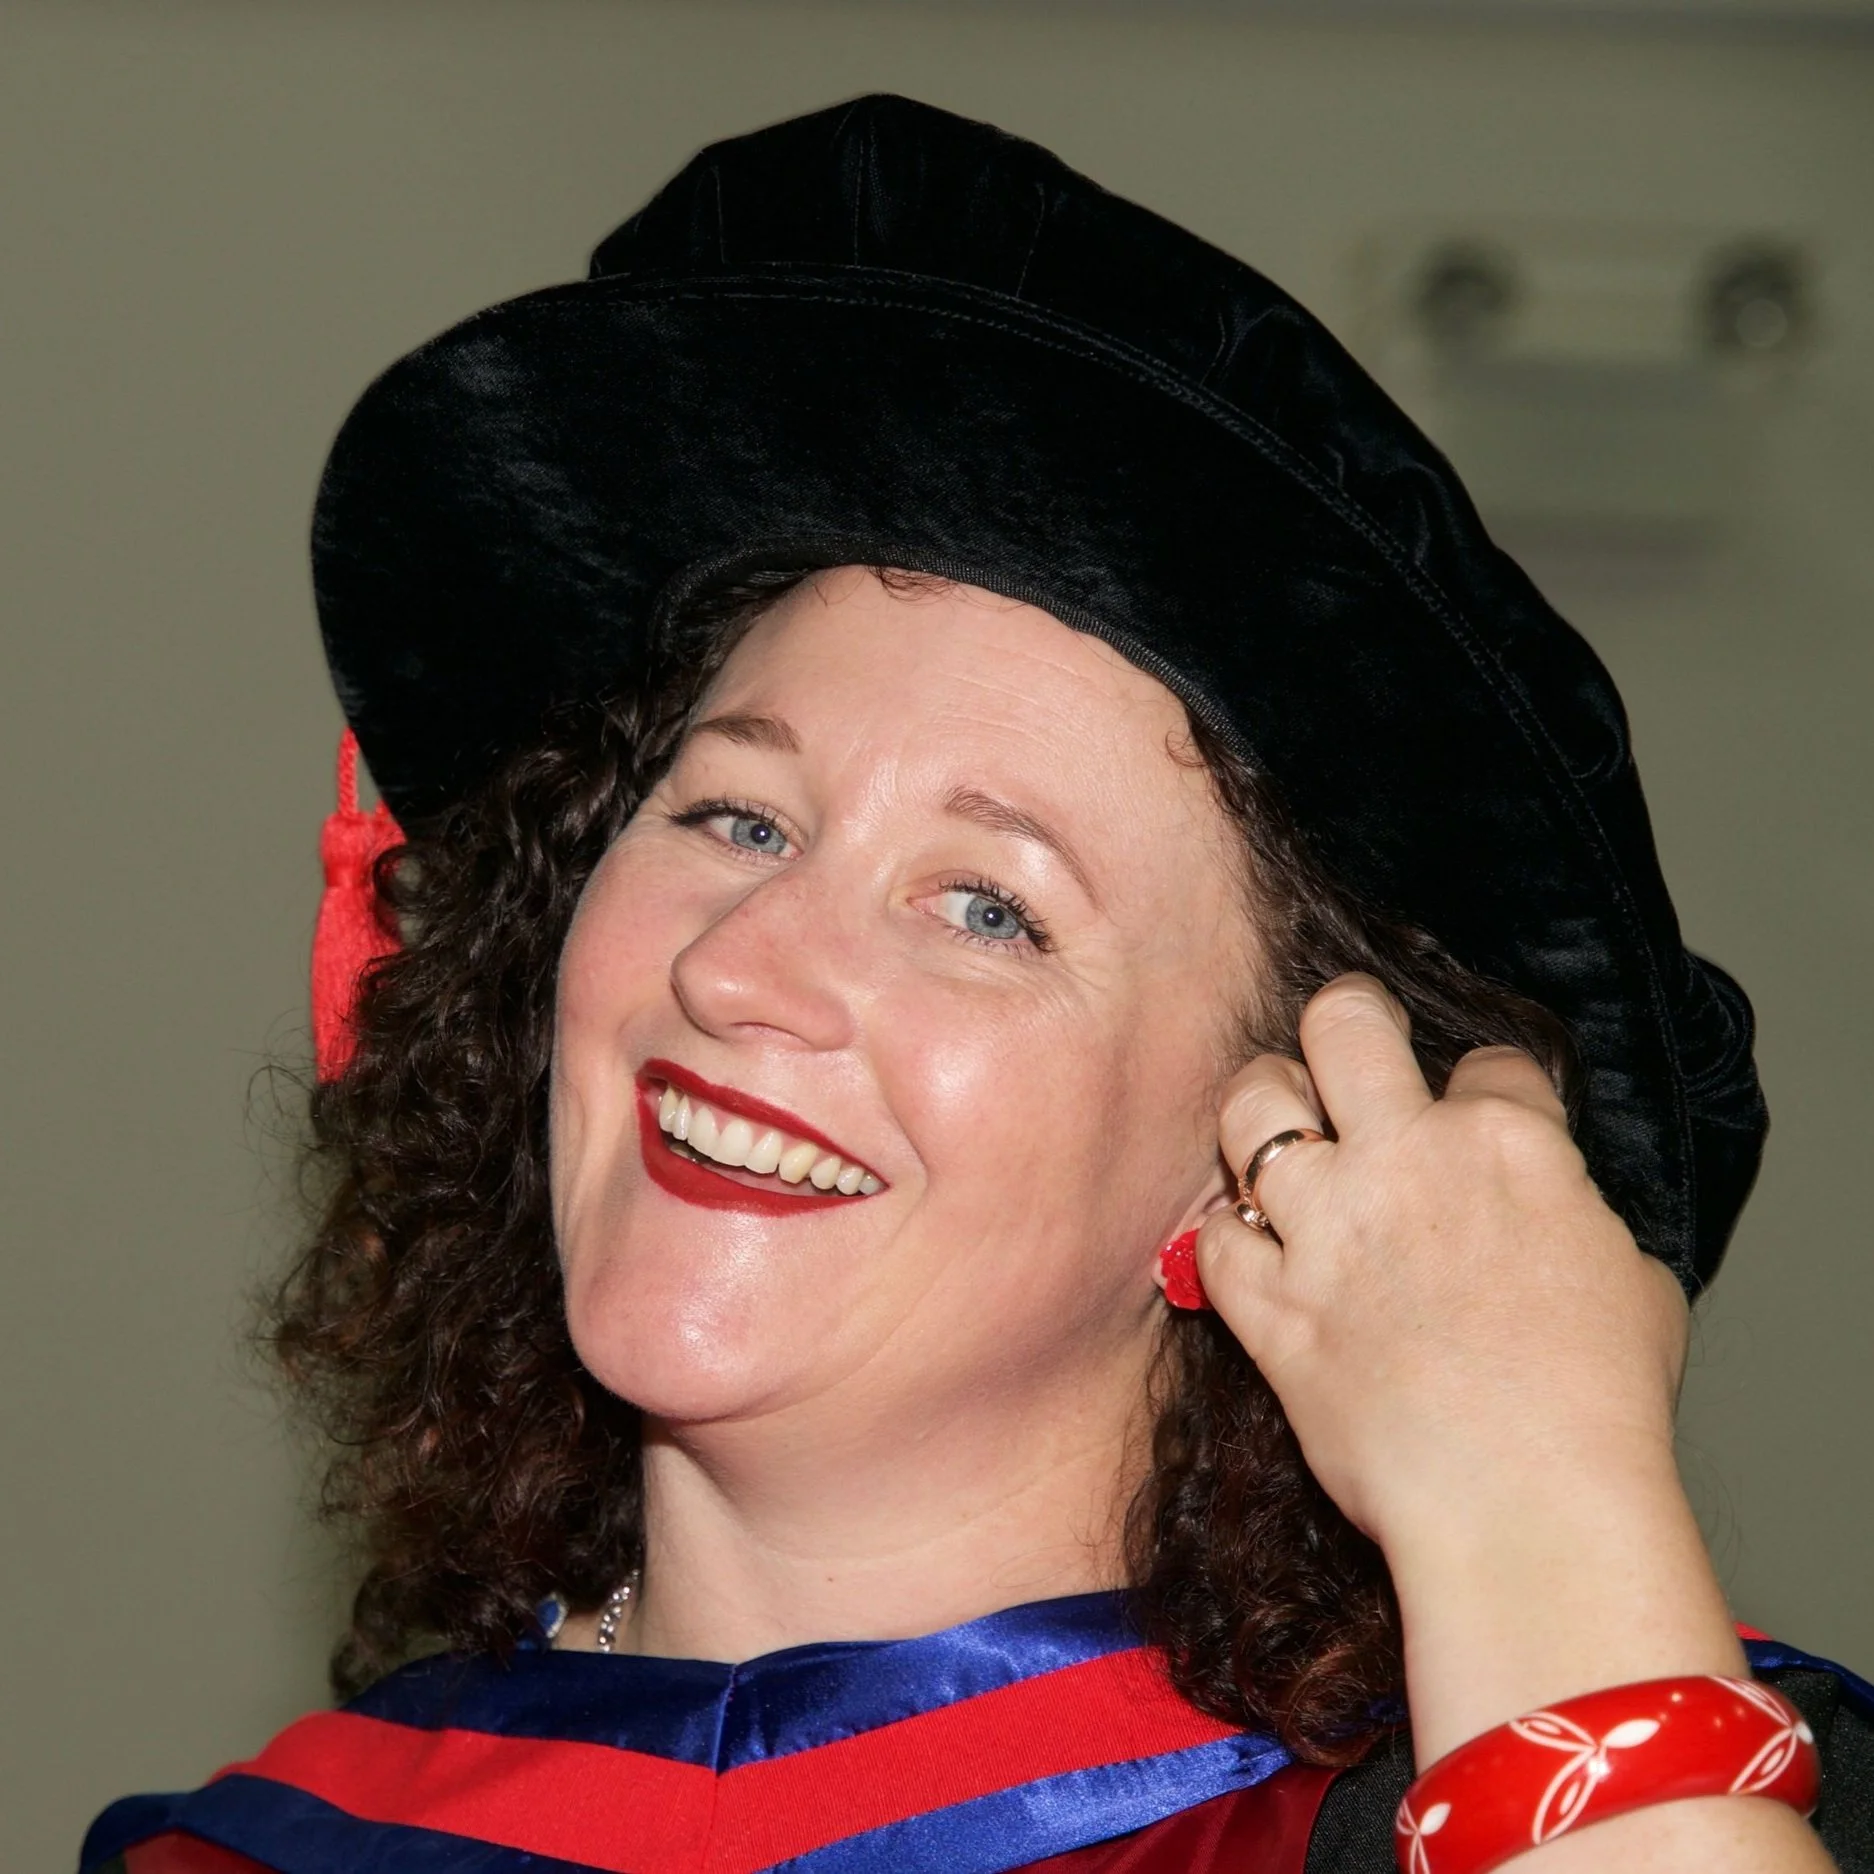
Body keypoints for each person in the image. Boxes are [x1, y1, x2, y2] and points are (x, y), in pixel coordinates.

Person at [82, 96, 1874, 1874]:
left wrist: (1530, 1493)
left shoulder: (1551, 1792)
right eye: (733, 813)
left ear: (1274, 1163)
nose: (740, 965)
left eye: (988, 908)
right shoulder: (249, 1852)